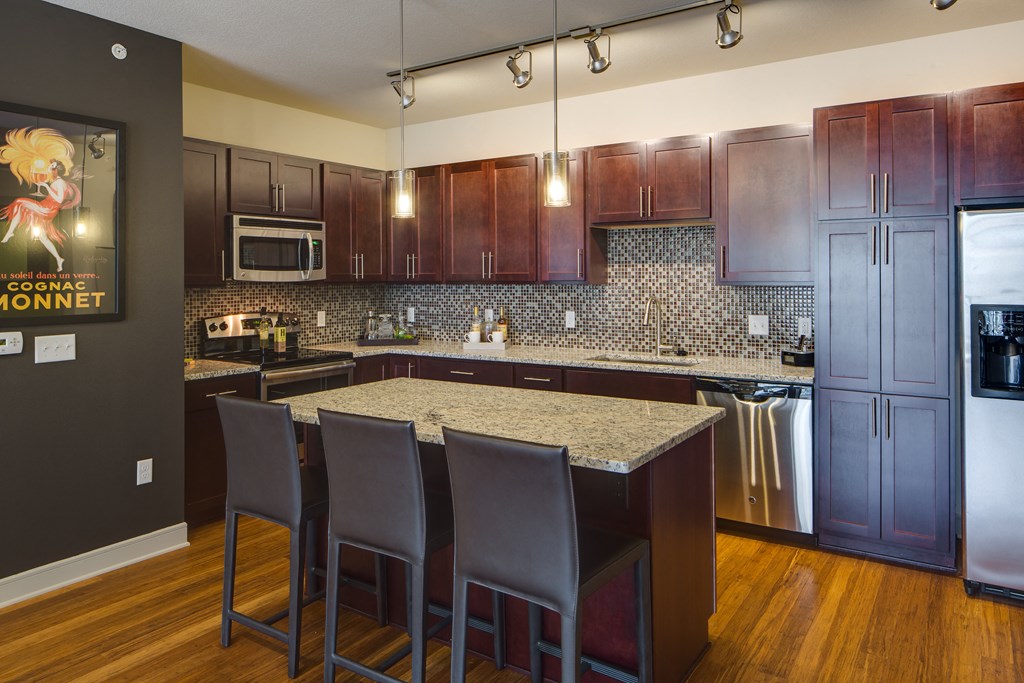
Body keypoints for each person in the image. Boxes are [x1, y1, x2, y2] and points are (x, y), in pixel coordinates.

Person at [0, 127, 81, 272]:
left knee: (19, 202)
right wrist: (45, 188)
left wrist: (45, 186)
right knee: (43, 237)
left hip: (49, 209)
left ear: (57, 170)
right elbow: (53, 197)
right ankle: (59, 259)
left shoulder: (59, 183)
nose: (49, 169)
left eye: (51, 167)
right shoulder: (55, 182)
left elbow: (58, 199)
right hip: (46, 205)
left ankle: (10, 232)